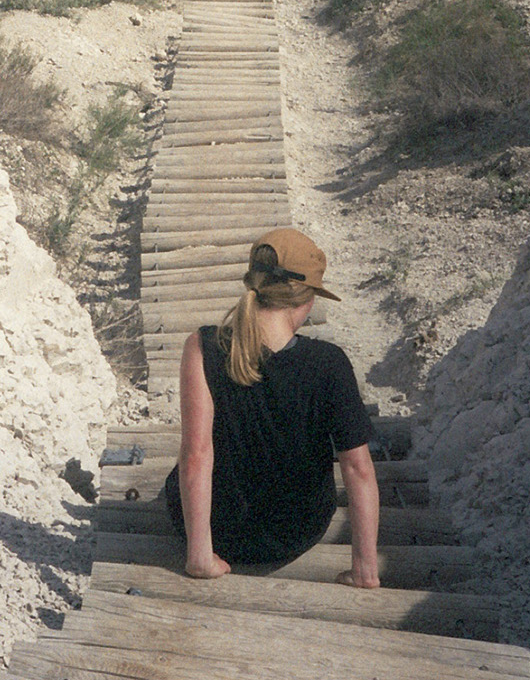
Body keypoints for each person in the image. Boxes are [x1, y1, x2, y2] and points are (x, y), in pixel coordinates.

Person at [162, 227, 380, 585]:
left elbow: (196, 455)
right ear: (307, 299)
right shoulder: (328, 363)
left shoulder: (202, 346)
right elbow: (358, 469)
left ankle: (201, 553)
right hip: (295, 533)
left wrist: (200, 555)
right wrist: (366, 568)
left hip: (220, 531)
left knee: (184, 468)